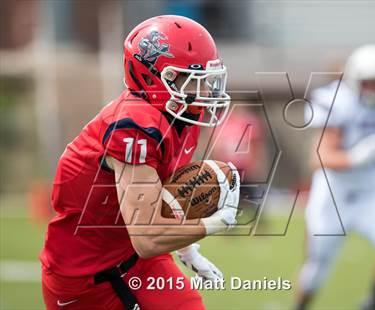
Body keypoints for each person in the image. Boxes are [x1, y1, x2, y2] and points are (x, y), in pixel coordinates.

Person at [40, 15, 240, 310]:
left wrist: (188, 251)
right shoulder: (134, 125)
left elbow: (161, 198)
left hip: (138, 260)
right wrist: (214, 222)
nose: (205, 91)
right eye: (191, 79)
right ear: (154, 78)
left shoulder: (182, 116)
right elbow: (147, 236)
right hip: (84, 277)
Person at [295, 44, 375, 310]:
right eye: (368, 83)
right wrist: (355, 157)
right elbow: (318, 158)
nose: (374, 90)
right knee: (317, 268)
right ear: (354, 81)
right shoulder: (337, 101)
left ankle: (373, 301)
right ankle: (300, 306)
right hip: (335, 193)